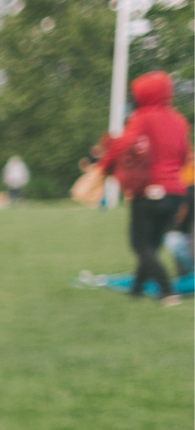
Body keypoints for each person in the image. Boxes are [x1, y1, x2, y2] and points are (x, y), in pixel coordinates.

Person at [99, 71, 191, 306]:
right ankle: (138, 290)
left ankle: (167, 291)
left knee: (139, 243)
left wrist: (105, 167)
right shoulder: (180, 121)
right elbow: (184, 158)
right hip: (176, 193)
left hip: (149, 191)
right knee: (152, 243)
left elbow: (124, 147)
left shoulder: (142, 117)